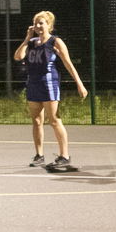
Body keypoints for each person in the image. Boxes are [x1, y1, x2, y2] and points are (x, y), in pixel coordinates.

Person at [13, 11, 88, 171]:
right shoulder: (31, 42)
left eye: (41, 23)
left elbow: (68, 63)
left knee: (53, 119)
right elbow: (18, 57)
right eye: (36, 23)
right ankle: (39, 155)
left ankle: (65, 156)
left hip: (49, 84)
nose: (38, 26)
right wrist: (27, 38)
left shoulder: (55, 41)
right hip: (33, 83)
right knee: (36, 121)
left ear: (49, 25)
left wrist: (79, 83)